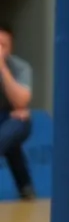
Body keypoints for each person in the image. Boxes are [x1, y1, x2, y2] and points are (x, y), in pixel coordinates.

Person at [0, 26, 34, 199]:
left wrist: (3, 69)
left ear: (10, 48)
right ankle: (26, 188)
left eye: (3, 45)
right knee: (12, 147)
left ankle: (26, 189)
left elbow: (21, 101)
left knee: (16, 125)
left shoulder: (20, 67)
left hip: (12, 118)